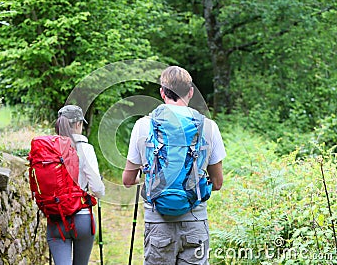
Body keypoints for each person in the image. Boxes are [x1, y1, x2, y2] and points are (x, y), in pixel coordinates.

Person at [122, 66, 226, 265]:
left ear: (162, 92)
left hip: (158, 221)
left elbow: (127, 180)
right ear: (191, 92)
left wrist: (143, 177)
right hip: (195, 220)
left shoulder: (144, 125)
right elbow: (218, 182)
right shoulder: (209, 127)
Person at [47, 105, 105, 265]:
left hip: (56, 219)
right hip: (82, 220)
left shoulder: (50, 150)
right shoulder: (85, 149)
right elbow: (97, 189)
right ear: (78, 124)